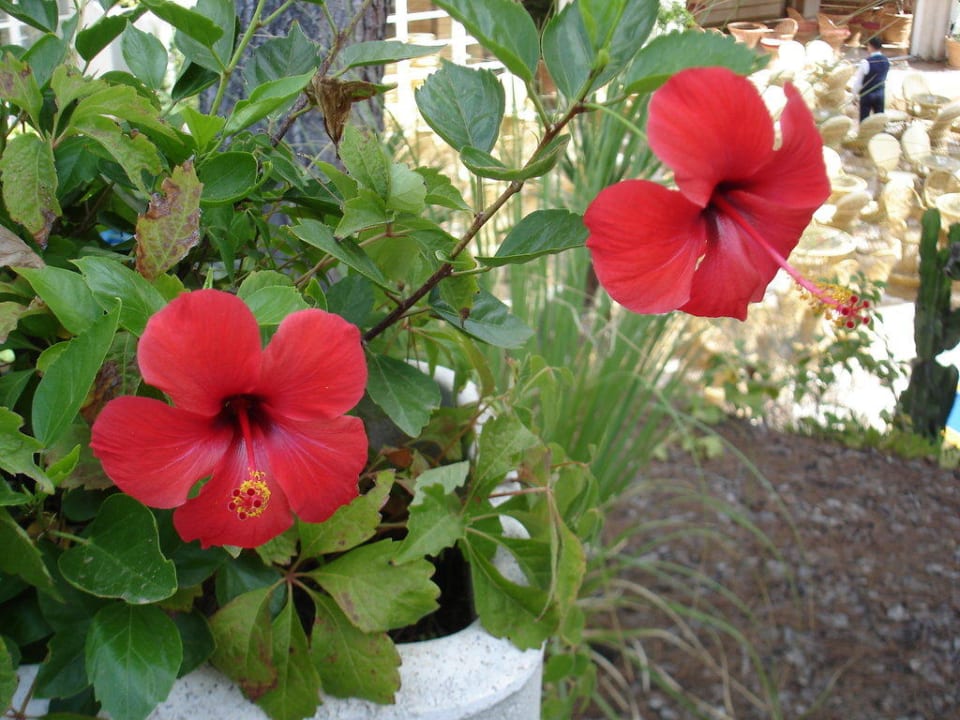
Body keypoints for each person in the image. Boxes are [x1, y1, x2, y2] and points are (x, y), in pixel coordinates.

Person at [852, 36, 891, 122]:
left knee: (864, 121)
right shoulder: (886, 61)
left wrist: (854, 95)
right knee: (879, 120)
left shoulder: (865, 62)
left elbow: (858, 81)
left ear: (870, 46)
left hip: (867, 95)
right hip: (880, 94)